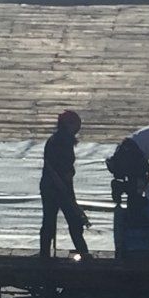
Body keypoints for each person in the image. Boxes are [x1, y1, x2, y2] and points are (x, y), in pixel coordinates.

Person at [39, 109, 90, 260]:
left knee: (50, 221)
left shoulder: (57, 140)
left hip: (54, 185)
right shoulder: (61, 141)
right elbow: (58, 169)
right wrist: (67, 192)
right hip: (56, 187)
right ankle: (83, 252)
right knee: (71, 220)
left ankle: (44, 255)